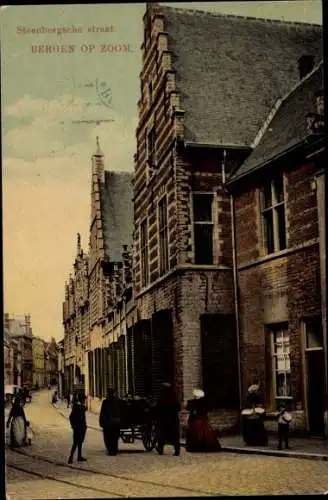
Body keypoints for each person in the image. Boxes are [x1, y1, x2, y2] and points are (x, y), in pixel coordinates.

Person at [154, 382, 181, 456]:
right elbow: (178, 408)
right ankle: (177, 450)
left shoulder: (161, 398)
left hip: (163, 419)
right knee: (175, 435)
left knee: (162, 434)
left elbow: (157, 408)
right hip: (173, 419)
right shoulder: (174, 398)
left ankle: (160, 449)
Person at [99, 388, 122, 456]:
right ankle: (114, 450)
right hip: (115, 422)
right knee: (114, 437)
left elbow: (103, 412)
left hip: (109, 422)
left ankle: (110, 450)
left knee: (108, 437)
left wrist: (103, 421)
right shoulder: (117, 401)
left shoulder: (105, 402)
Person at [68, 393, 87, 464]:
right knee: (75, 443)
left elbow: (85, 409)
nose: (84, 400)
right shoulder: (76, 406)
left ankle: (79, 456)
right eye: (84, 399)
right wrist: (73, 426)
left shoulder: (81, 406)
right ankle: (70, 457)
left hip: (82, 428)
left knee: (80, 443)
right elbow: (71, 417)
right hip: (77, 428)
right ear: (81, 399)